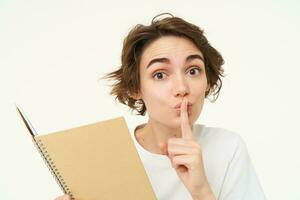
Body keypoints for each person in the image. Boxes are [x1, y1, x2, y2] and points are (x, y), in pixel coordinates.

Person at [55, 13, 266, 200]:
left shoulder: (227, 148)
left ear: (207, 81)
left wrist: (201, 192)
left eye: (193, 71)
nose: (182, 88)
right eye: (160, 75)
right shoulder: (106, 154)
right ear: (135, 88)